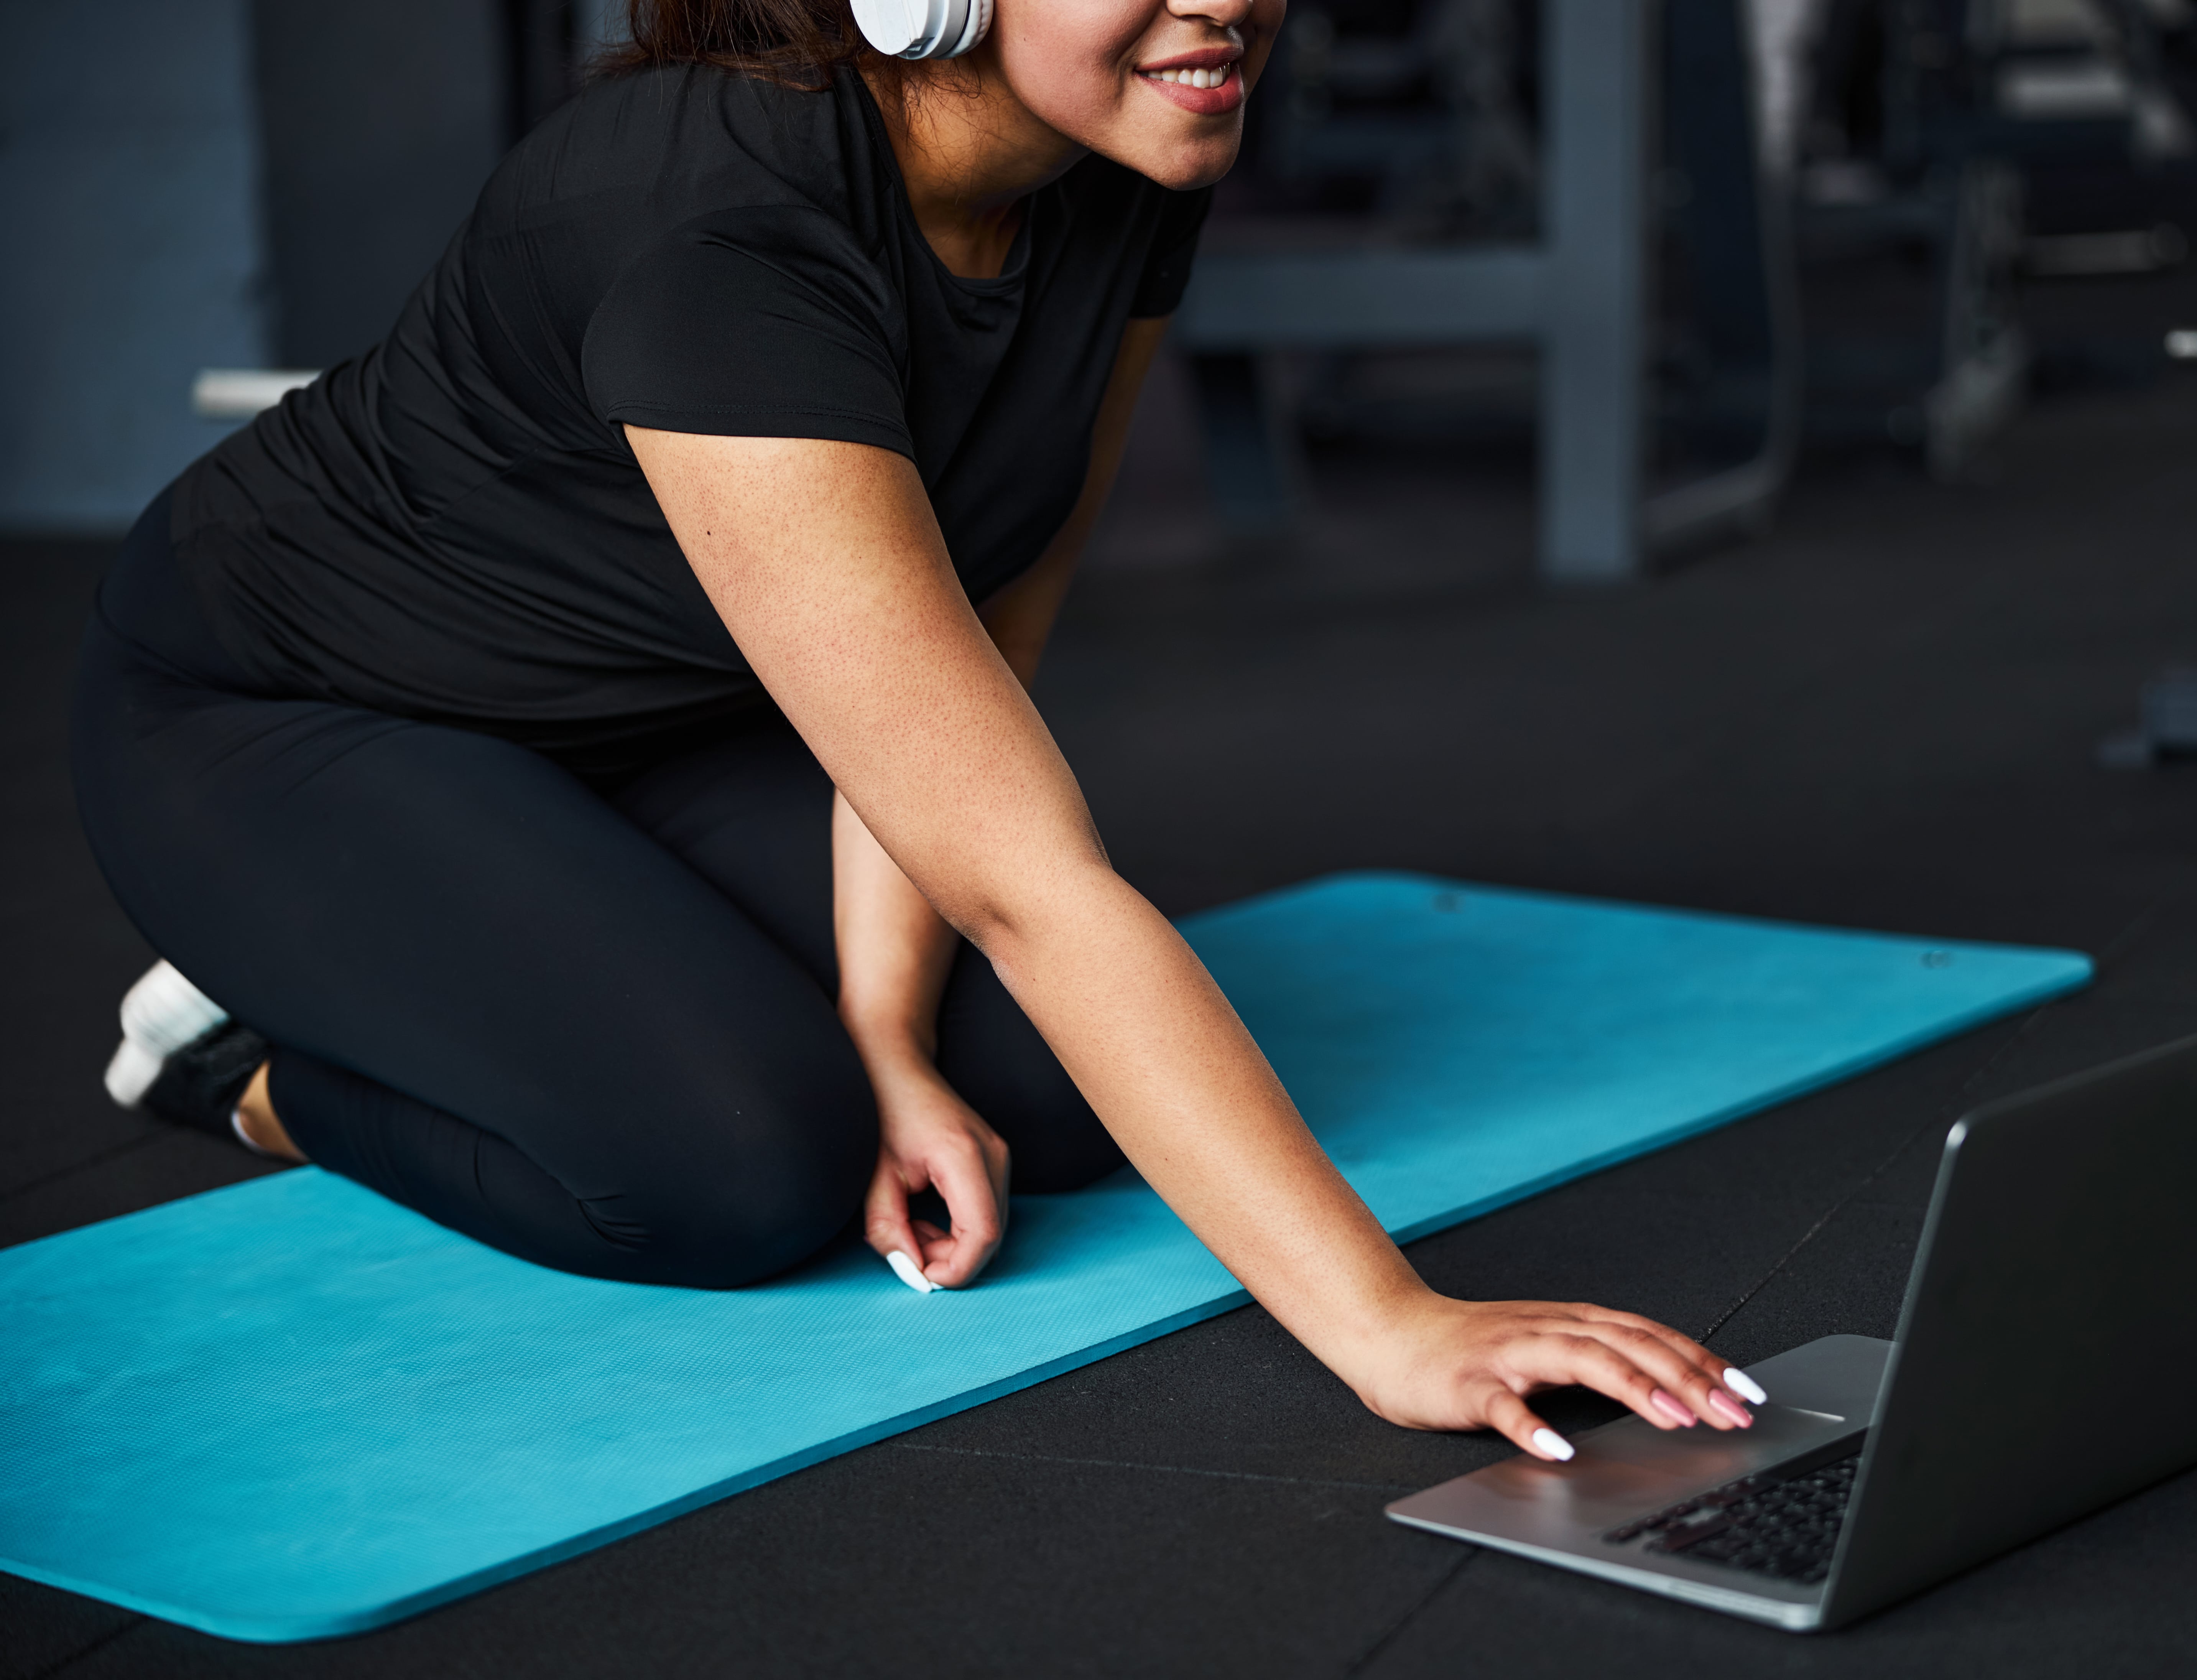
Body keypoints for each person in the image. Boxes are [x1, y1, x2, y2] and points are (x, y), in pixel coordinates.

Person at [70, 0, 1764, 1461]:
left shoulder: (1126, 151)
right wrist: (1391, 1323)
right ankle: (251, 1059)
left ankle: (557, 969)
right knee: (739, 1171)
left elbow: (977, 674)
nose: (1225, 10)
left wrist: (888, 1031)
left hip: (652, 720)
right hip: (285, 718)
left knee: (1042, 1102)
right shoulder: (714, 222)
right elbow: (1030, 879)